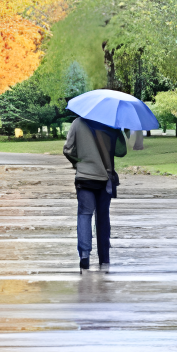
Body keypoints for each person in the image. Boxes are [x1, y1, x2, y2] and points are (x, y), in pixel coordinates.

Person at [62, 112, 127, 270]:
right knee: (103, 217)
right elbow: (121, 151)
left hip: (84, 177)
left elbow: (68, 150)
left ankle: (84, 254)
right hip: (105, 178)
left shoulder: (77, 122)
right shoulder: (110, 124)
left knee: (84, 214)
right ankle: (104, 257)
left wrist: (79, 163)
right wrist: (117, 130)